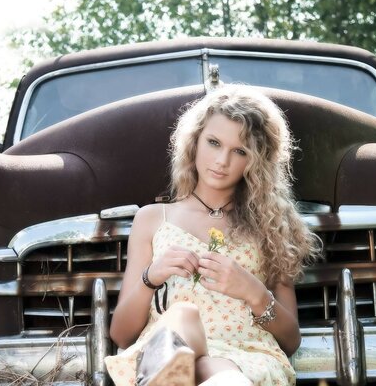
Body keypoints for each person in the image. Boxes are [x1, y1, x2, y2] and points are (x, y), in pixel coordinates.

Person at [105, 85, 321, 386]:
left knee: (218, 374)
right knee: (181, 317)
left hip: (246, 356)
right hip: (167, 350)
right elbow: (121, 335)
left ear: (256, 160)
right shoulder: (153, 219)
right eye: (214, 143)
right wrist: (151, 276)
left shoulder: (271, 225)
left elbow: (290, 339)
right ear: (194, 142)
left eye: (240, 151)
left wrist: (253, 291)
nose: (222, 161)